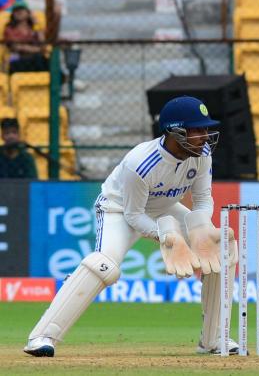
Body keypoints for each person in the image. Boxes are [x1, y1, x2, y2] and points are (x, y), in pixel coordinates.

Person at [23, 96, 238, 358]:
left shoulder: (202, 154)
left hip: (164, 206)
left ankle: (213, 339)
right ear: (175, 131)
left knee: (219, 247)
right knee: (104, 266)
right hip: (119, 209)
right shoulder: (140, 163)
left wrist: (201, 228)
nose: (205, 136)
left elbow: (203, 200)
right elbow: (134, 215)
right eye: (197, 130)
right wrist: (167, 235)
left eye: (206, 129)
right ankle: (43, 336)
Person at [4, 0, 47, 73]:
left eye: (22, 9)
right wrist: (37, 50)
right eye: (16, 10)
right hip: (18, 60)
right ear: (13, 14)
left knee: (44, 60)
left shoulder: (34, 28)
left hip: (35, 59)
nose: (19, 12)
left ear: (28, 13)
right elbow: (16, 47)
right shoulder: (10, 28)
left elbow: (43, 43)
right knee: (39, 59)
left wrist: (36, 24)